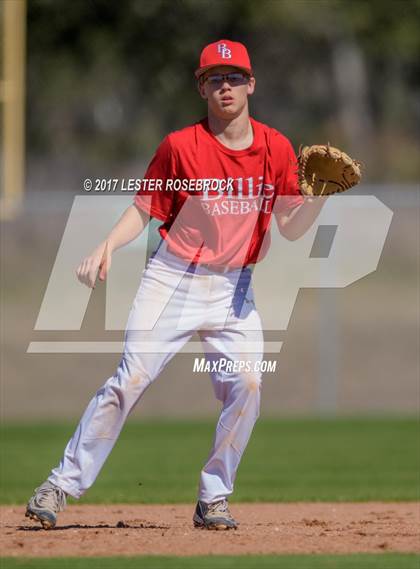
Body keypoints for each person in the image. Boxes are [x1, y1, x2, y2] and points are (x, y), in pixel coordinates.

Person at [26, 39, 326, 531]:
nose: (225, 86)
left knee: (249, 384)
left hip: (234, 289)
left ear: (251, 84)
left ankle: (214, 498)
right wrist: (106, 246)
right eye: (215, 78)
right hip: (173, 279)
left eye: (234, 77)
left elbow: (291, 227)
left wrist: (319, 199)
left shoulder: (275, 147)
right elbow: (146, 208)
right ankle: (60, 485)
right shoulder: (180, 147)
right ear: (201, 87)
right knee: (132, 379)